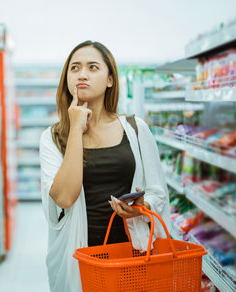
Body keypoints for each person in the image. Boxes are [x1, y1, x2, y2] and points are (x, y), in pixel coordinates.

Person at [39, 40, 171, 292]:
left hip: (133, 252)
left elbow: (157, 191)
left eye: (93, 67)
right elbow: (64, 198)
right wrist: (75, 127)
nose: (82, 74)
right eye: (74, 68)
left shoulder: (135, 129)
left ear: (110, 79)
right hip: (79, 256)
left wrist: (142, 207)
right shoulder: (53, 137)